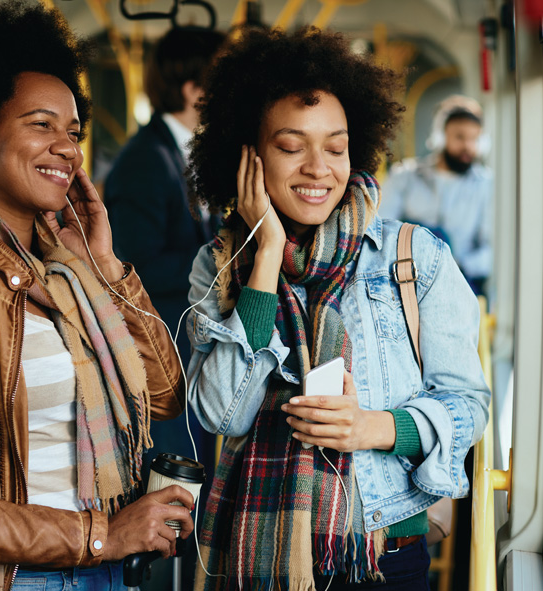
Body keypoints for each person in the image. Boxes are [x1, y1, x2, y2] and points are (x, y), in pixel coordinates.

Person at [0, 4, 194, 591]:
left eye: (73, 132)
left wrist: (109, 269)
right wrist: (102, 534)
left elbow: (167, 397)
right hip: (11, 580)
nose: (67, 149)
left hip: (105, 574)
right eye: (41, 125)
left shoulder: (71, 273)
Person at [185, 27, 491, 590]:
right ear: (247, 154)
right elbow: (222, 415)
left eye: (335, 146)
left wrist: (374, 428)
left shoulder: (412, 257)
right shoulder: (222, 264)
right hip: (258, 559)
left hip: (382, 553)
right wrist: (267, 256)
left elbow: (469, 407)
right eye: (290, 145)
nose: (318, 168)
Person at [103, 27, 225, 588]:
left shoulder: (181, 153)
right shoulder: (144, 163)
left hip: (184, 344)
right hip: (158, 356)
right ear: (195, 86)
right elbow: (135, 270)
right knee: (172, 491)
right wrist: (221, 267)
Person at [380, 95, 493, 295]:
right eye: (459, 137)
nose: (468, 146)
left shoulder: (486, 185)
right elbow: (381, 229)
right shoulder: (404, 176)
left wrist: (457, 265)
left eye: (474, 139)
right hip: (404, 280)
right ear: (440, 137)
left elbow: (492, 251)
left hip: (460, 283)